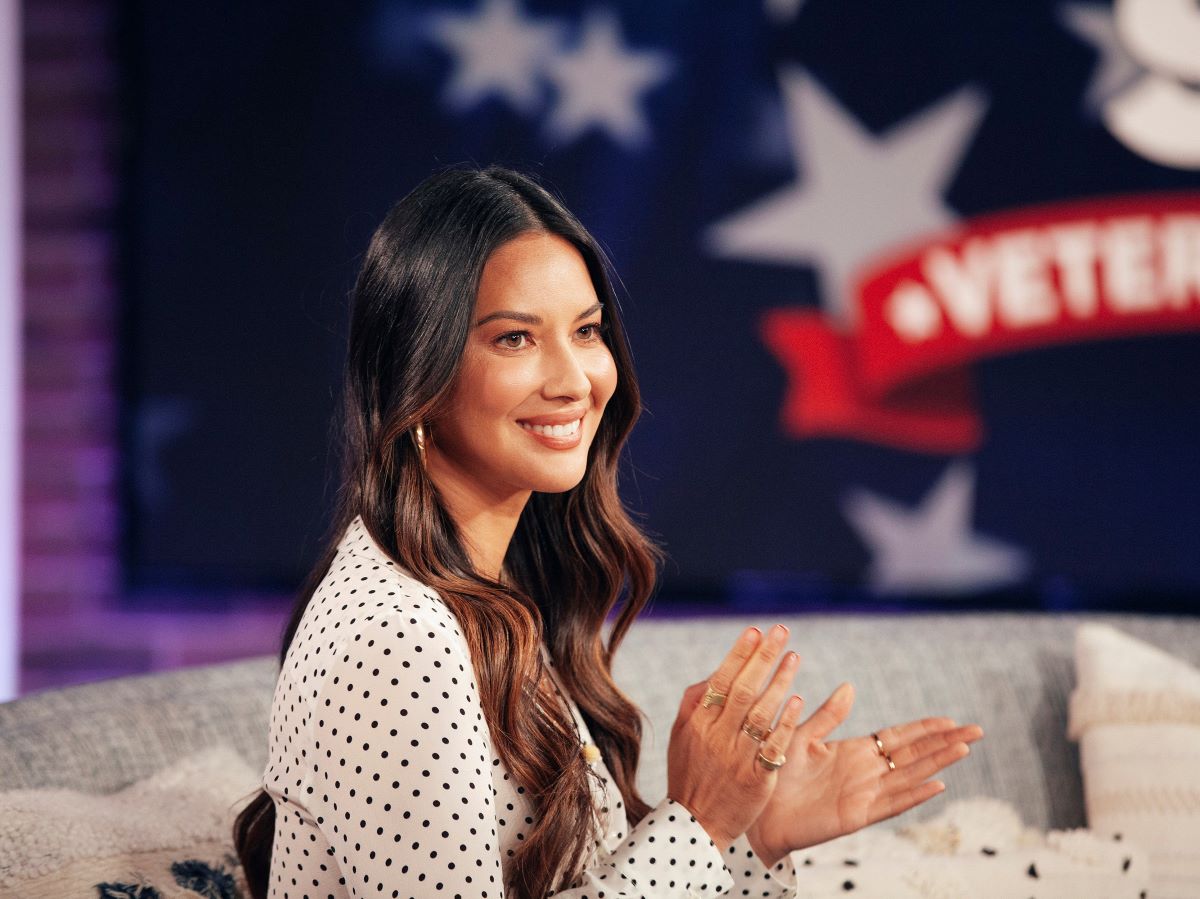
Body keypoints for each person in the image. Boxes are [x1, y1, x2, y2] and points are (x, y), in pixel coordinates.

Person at [233, 166, 982, 899]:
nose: (574, 378)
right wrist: (700, 826)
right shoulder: (397, 634)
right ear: (415, 376)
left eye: (586, 330)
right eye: (514, 339)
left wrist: (754, 836)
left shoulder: (497, 592)